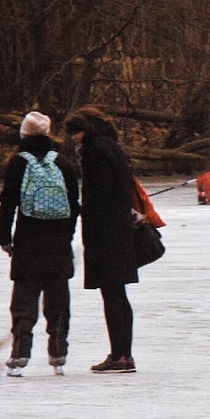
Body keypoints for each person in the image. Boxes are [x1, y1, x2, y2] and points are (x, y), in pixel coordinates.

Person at [0, 111, 80, 377]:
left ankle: (20, 354)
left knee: (24, 301)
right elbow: (74, 206)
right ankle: (59, 354)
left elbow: (8, 202)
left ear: (23, 134)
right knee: (58, 301)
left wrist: (4, 237)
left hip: (28, 242)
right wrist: (67, 235)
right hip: (58, 244)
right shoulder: (63, 163)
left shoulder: (18, 164)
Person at [64, 107, 142, 373]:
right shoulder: (113, 146)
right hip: (119, 227)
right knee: (118, 293)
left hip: (106, 231)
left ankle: (119, 355)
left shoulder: (96, 150)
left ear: (83, 130)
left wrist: (79, 210)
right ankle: (124, 354)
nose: (74, 140)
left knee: (112, 293)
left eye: (75, 134)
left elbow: (99, 190)